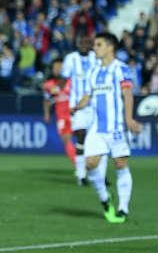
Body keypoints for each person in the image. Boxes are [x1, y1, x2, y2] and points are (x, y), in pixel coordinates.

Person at [74, 32, 143, 223]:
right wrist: (78, 105)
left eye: (99, 45)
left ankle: (123, 208)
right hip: (97, 127)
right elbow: (89, 96)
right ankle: (105, 198)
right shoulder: (93, 72)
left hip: (117, 126)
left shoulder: (121, 68)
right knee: (90, 163)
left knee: (120, 164)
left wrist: (129, 119)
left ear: (110, 47)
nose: (95, 48)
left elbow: (128, 94)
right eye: (95, 45)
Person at [62, 35, 99, 185]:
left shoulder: (95, 57)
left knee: (95, 141)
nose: (84, 45)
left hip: (94, 105)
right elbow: (64, 79)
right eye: (81, 42)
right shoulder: (71, 58)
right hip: (77, 106)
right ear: (77, 43)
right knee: (81, 137)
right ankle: (81, 174)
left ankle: (96, 174)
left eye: (86, 42)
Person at [42, 58, 76, 164]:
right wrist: (47, 114)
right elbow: (47, 100)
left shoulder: (72, 82)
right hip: (61, 116)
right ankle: (79, 166)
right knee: (66, 140)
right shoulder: (48, 85)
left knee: (83, 139)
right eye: (55, 68)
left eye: (60, 68)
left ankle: (85, 164)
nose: (57, 70)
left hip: (75, 115)